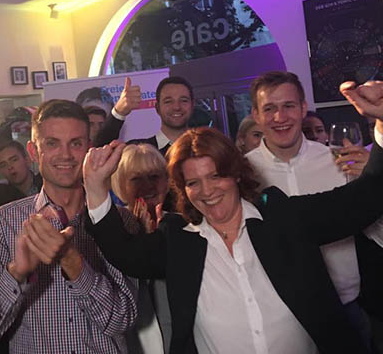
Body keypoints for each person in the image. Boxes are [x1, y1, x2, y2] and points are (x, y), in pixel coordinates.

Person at [83, 79, 383, 354]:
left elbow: (364, 201)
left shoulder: (284, 217)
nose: (207, 191)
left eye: (216, 176)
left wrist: (381, 121)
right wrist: (96, 190)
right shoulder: (180, 241)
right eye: (192, 183)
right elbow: (126, 254)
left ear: (236, 175)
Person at [0, 99, 137, 353]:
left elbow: (122, 320)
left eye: (76, 143)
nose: (66, 155)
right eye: (52, 143)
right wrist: (16, 273)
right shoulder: (3, 223)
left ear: (88, 149)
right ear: (34, 152)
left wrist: (73, 262)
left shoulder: (120, 221)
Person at [246, 72, 382, 347]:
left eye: (289, 106)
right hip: (281, 316)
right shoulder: (243, 173)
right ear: (256, 115)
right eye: (269, 108)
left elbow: (375, 230)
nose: (279, 117)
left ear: (303, 109)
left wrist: (371, 177)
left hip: (348, 308)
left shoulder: (340, 159)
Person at [111, 143, 172, 353]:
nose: (147, 187)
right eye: (136, 179)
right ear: (120, 183)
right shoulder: (112, 232)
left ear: (166, 181)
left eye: (154, 176)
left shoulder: (183, 226)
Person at [95, 76, 194, 155]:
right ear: (157, 108)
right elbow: (98, 152)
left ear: (192, 105)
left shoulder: (205, 146)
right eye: (168, 101)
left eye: (183, 100)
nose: (177, 107)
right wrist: (119, 112)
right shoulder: (137, 150)